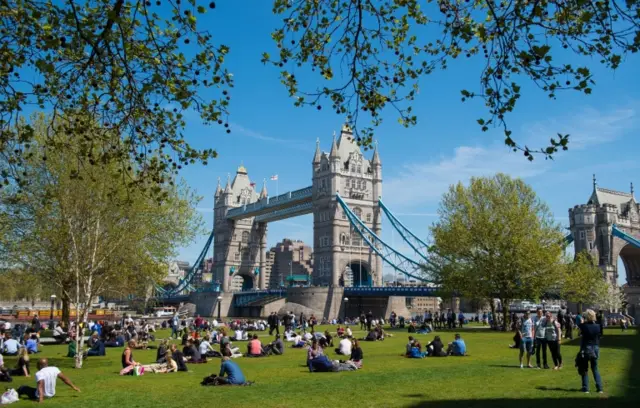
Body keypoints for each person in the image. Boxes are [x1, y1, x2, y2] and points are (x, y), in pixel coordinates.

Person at [577, 309, 603, 393]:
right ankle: (599, 388)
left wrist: (582, 322)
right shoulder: (598, 326)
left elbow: (579, 333)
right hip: (595, 347)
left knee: (584, 368)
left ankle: (586, 388)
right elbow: (600, 336)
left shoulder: (583, 326)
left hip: (586, 348)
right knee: (595, 368)